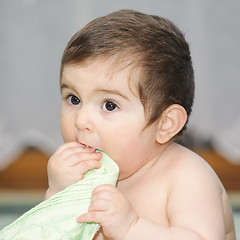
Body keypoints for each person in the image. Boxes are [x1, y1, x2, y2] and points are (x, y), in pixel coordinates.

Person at [45, 9, 236, 240]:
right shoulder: (79, 174)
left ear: (165, 124)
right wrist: (57, 194)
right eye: (73, 99)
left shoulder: (188, 177)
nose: (81, 121)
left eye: (109, 105)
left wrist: (132, 228)